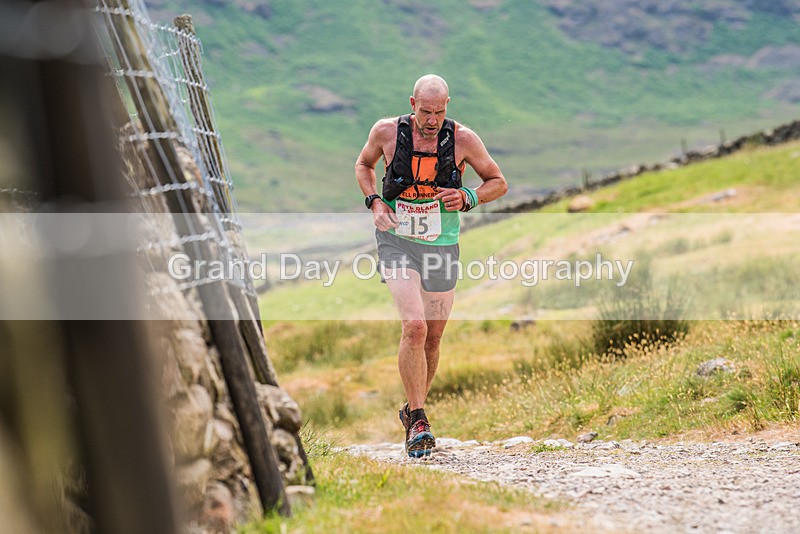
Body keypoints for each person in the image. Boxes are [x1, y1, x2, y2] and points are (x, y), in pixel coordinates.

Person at [355, 74, 507, 458]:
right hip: (397, 241)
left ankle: (411, 408)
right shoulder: (387, 132)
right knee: (415, 325)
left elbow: (498, 182)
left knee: (434, 337)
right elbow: (363, 165)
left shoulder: (464, 140)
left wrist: (469, 195)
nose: (432, 120)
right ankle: (420, 421)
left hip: (441, 244)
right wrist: (374, 200)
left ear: (447, 107)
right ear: (412, 103)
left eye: (440, 112)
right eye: (425, 111)